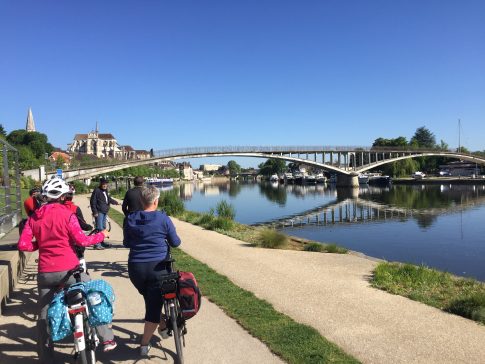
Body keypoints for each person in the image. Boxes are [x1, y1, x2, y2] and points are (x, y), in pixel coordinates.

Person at [18, 177, 117, 363]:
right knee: (93, 293)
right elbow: (82, 241)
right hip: (70, 271)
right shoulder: (67, 215)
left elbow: (23, 245)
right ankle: (106, 337)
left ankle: (46, 356)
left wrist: (40, 245)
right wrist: (101, 235)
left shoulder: (34, 217)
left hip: (46, 273)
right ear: (64, 196)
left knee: (44, 314)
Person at [123, 186, 181, 356]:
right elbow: (176, 242)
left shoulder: (131, 219)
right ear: (156, 201)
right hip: (159, 268)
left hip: (136, 270)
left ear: (141, 201)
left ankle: (162, 324)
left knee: (151, 300)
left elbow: (127, 243)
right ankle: (144, 344)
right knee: (153, 308)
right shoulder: (163, 218)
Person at [90, 178, 119, 249]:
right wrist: (95, 212)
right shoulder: (97, 190)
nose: (105, 185)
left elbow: (108, 199)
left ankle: (101, 242)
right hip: (99, 212)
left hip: (104, 212)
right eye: (103, 184)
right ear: (101, 184)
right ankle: (96, 244)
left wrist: (115, 202)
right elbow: (92, 202)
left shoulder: (105, 190)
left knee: (103, 228)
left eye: (106, 184)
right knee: (99, 228)